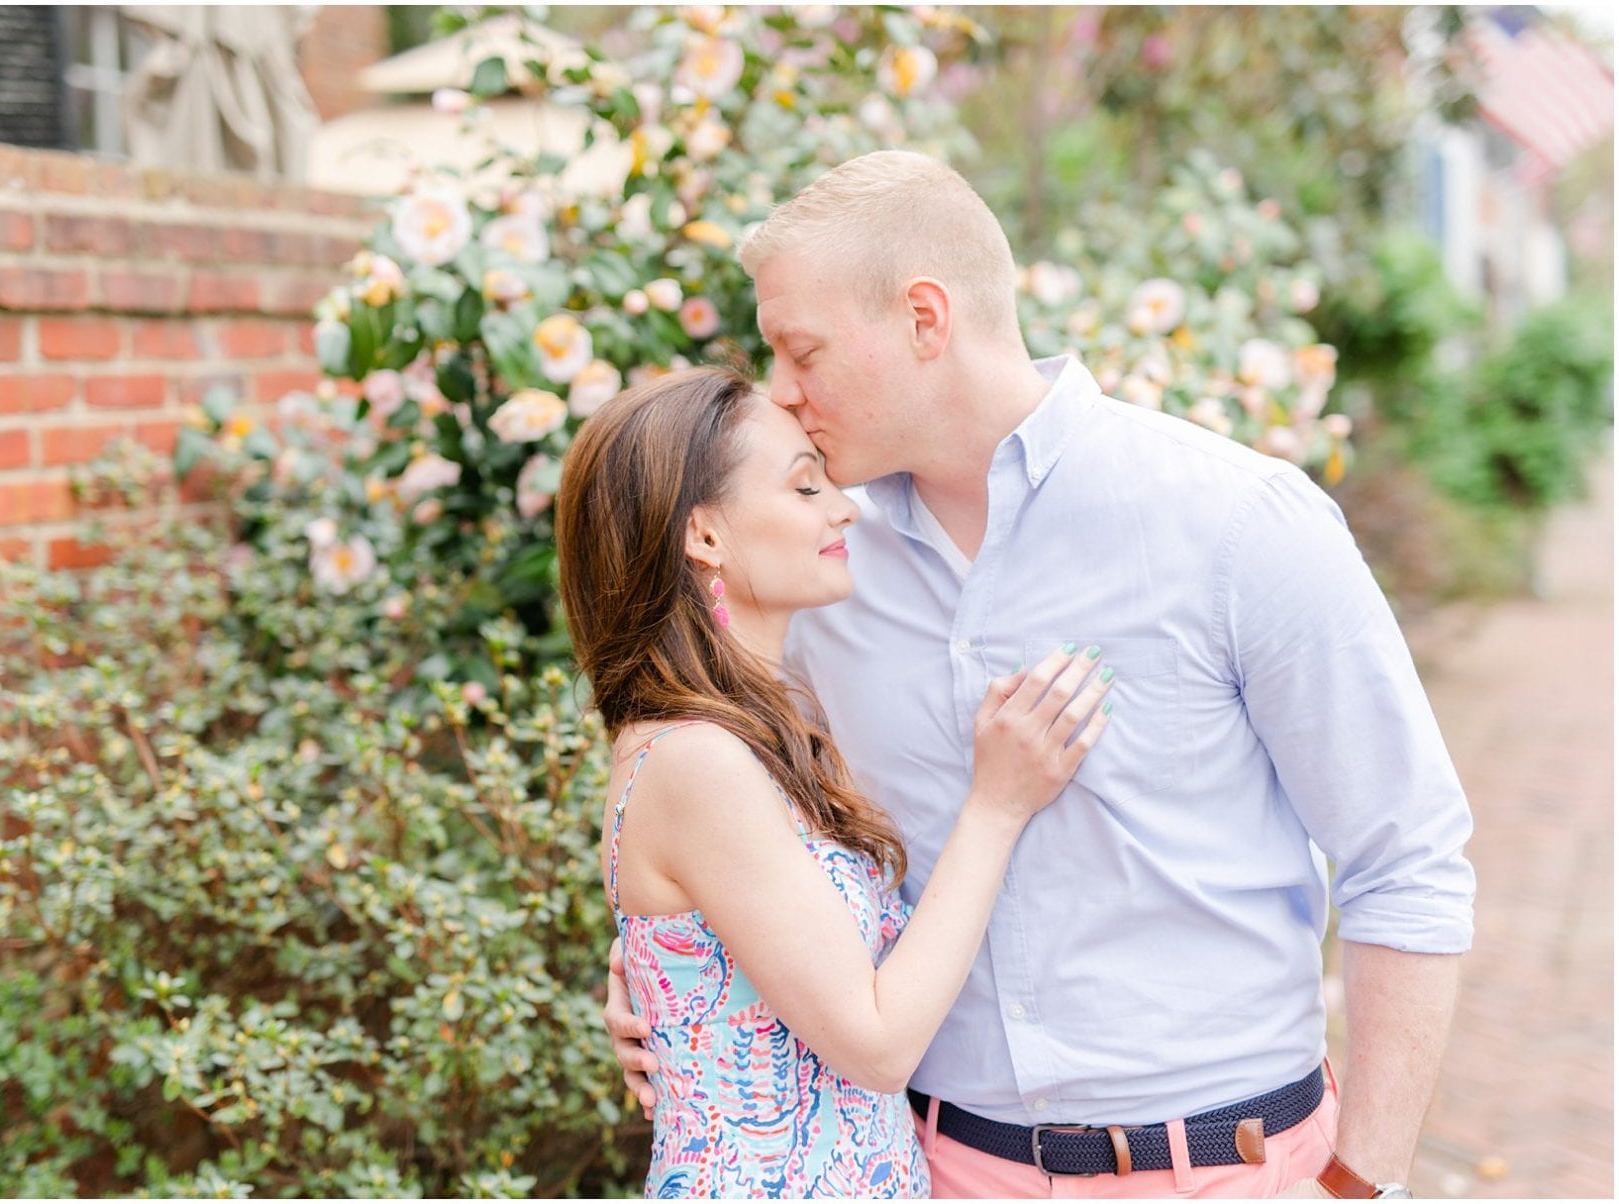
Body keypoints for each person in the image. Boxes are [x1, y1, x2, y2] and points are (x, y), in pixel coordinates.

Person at [601, 151, 1476, 1199]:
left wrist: (1361, 1182)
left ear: (925, 318)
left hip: (1231, 1172)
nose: (784, 390)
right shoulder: (819, 567)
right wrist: (670, 976)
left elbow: (1407, 859)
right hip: (940, 1169)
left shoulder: (1238, 524)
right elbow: (745, 829)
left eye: (803, 351)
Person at [555, 366, 1118, 1197]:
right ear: (704, 534)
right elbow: (878, 1043)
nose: (843, 507)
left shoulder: (746, 726)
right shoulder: (698, 756)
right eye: (805, 485)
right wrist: (998, 805)